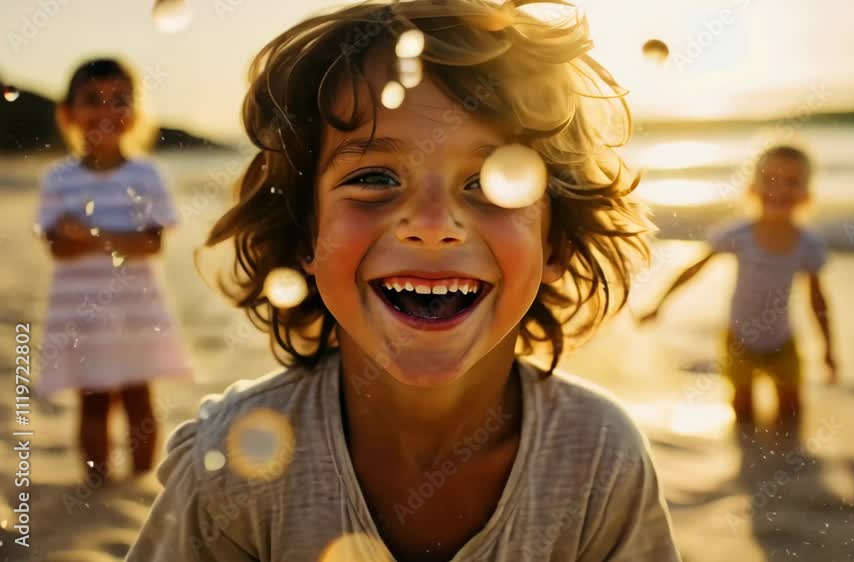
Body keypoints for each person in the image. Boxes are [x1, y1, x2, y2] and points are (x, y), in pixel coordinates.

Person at [127, 1, 680, 561]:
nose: (434, 226)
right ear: (304, 234)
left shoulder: (598, 461)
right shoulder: (231, 466)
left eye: (493, 183)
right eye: (373, 177)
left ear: (554, 242)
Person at [36, 58, 192, 482]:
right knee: (93, 399)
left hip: (135, 309)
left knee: (139, 395)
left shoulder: (146, 174)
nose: (107, 111)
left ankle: (142, 481)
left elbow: (151, 244)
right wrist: (96, 238)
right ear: (68, 112)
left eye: (119, 100)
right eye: (92, 100)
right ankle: (97, 486)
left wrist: (92, 234)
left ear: (137, 110)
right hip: (81, 311)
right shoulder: (58, 178)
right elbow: (59, 249)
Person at [639, 145, 836, 433]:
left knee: (791, 413)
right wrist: (660, 305)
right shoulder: (737, 235)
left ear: (807, 194)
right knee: (742, 414)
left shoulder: (808, 244)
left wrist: (828, 350)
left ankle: (788, 464)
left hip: (784, 343)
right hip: (739, 341)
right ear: (752, 188)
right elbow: (695, 269)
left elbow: (817, 299)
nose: (780, 189)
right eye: (770, 179)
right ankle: (751, 471)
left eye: (792, 182)